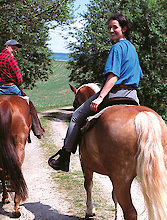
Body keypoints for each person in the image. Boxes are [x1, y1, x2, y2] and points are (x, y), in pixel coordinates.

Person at [48, 14, 143, 172]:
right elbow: (138, 75)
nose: (111, 30)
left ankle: (64, 158)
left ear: (124, 28)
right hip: (133, 95)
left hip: (116, 93)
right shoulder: (132, 49)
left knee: (77, 116)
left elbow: (113, 76)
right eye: (110, 28)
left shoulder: (117, 47)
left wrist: (100, 97)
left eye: (115, 27)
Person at [0, 39, 45, 146]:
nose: (15, 51)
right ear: (6, 47)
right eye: (13, 48)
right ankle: (37, 130)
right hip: (11, 88)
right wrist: (16, 82)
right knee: (29, 105)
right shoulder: (11, 59)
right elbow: (19, 79)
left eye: (16, 50)